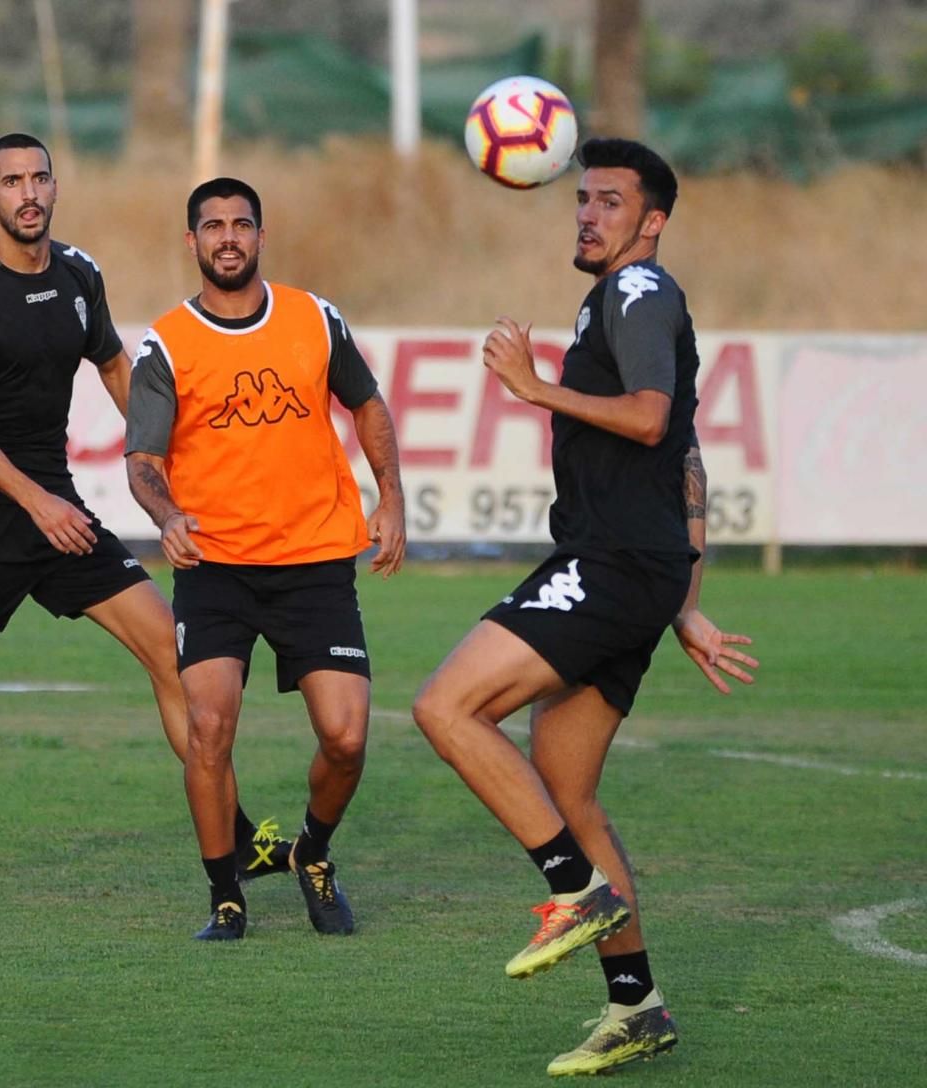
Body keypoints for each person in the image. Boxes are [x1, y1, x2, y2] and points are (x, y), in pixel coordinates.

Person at [0, 135, 289, 911]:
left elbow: (116, 367)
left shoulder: (80, 274)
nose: (29, 193)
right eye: (12, 181)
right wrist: (38, 503)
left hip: (52, 504)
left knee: (168, 646)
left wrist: (167, 464)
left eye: (40, 178)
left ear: (55, 187)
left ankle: (237, 834)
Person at [412, 138, 759, 1076]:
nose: (589, 215)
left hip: (606, 565)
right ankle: (637, 1007)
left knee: (445, 706)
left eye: (611, 202)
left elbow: (650, 418)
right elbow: (683, 453)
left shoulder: (638, 293)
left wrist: (534, 389)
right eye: (584, 200)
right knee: (567, 791)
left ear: (652, 221)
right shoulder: (625, 299)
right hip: (633, 572)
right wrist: (681, 600)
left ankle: (576, 890)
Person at [126, 177, 406, 941]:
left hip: (316, 560)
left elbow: (368, 403)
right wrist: (166, 513)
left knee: (347, 738)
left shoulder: (314, 317)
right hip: (215, 569)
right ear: (192, 242)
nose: (227, 238)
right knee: (208, 730)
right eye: (212, 226)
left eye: (240, 225)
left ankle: (312, 853)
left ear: (260, 235)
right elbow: (142, 458)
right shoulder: (167, 342)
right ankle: (226, 896)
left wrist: (393, 497)